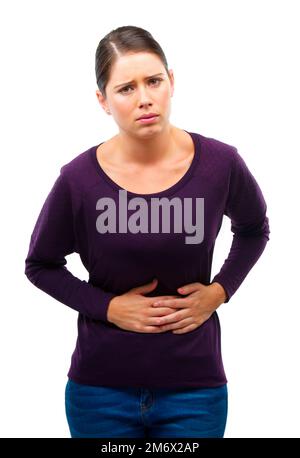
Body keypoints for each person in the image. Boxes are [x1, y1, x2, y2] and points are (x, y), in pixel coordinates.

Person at [24, 25, 270, 438]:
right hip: (99, 392)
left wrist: (220, 290)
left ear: (171, 81)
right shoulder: (79, 179)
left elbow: (254, 228)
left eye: (153, 81)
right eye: (126, 88)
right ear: (103, 100)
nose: (144, 99)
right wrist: (108, 308)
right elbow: (40, 265)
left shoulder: (220, 165)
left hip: (194, 390)